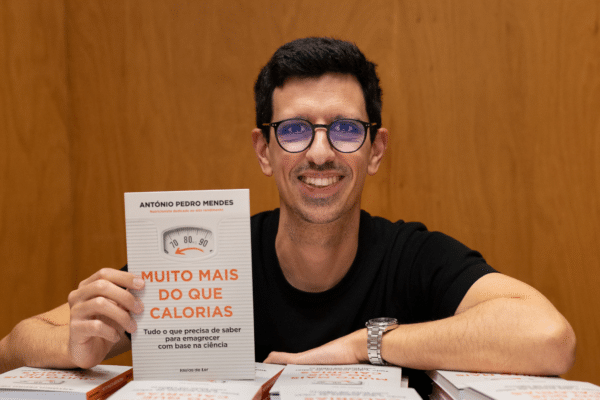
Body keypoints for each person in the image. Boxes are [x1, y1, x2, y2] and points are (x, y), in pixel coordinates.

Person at [0, 38, 575, 392]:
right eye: (295, 129)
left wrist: (363, 345)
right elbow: (14, 345)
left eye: (345, 129)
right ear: (264, 150)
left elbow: (548, 338)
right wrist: (73, 346)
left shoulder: (413, 256)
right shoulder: (204, 256)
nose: (320, 152)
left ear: (375, 151)